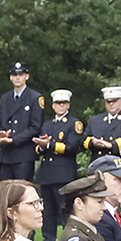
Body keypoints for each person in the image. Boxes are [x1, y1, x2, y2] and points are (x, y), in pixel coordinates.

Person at [34, 89, 87, 224]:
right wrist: (42, 145)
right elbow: (39, 150)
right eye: (58, 103)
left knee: (64, 210)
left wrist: (49, 145)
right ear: (53, 105)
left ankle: (67, 239)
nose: (61, 106)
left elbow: (72, 147)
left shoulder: (74, 123)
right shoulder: (47, 124)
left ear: (68, 105)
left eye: (64, 103)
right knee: (47, 212)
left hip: (63, 173)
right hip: (47, 173)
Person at [0, 63, 41, 186]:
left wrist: (14, 139)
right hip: (6, 154)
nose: (17, 78)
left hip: (24, 154)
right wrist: (1, 133)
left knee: (22, 192)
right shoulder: (5, 98)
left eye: (20, 75)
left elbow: (35, 127)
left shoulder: (35, 98)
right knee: (5, 193)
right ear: (10, 77)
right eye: (14, 75)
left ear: (27, 76)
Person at [85, 86, 121, 172]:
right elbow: (83, 139)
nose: (111, 104)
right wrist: (93, 143)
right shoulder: (95, 120)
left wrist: (111, 145)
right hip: (99, 168)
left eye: (114, 101)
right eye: (108, 101)